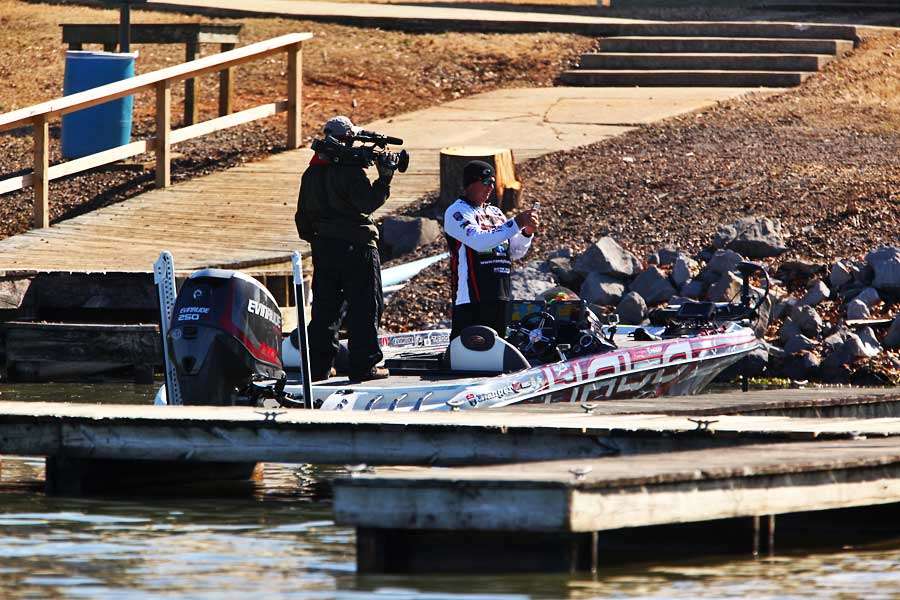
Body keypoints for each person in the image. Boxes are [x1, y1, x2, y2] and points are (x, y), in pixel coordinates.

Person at [295, 116, 398, 382]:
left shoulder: (311, 172)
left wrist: (318, 240)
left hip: (324, 247)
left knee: (325, 309)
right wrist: (385, 178)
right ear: (347, 139)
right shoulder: (351, 171)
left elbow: (302, 218)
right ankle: (364, 365)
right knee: (364, 306)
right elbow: (368, 203)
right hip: (358, 246)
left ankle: (319, 367)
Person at [443, 160, 539, 339]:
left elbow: (515, 252)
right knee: (469, 354)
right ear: (471, 183)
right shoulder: (456, 212)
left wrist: (527, 232)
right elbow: (479, 241)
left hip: (500, 294)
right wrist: (517, 222)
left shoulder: (496, 212)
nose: (491, 187)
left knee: (499, 354)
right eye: (487, 182)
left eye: (494, 182)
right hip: (471, 299)